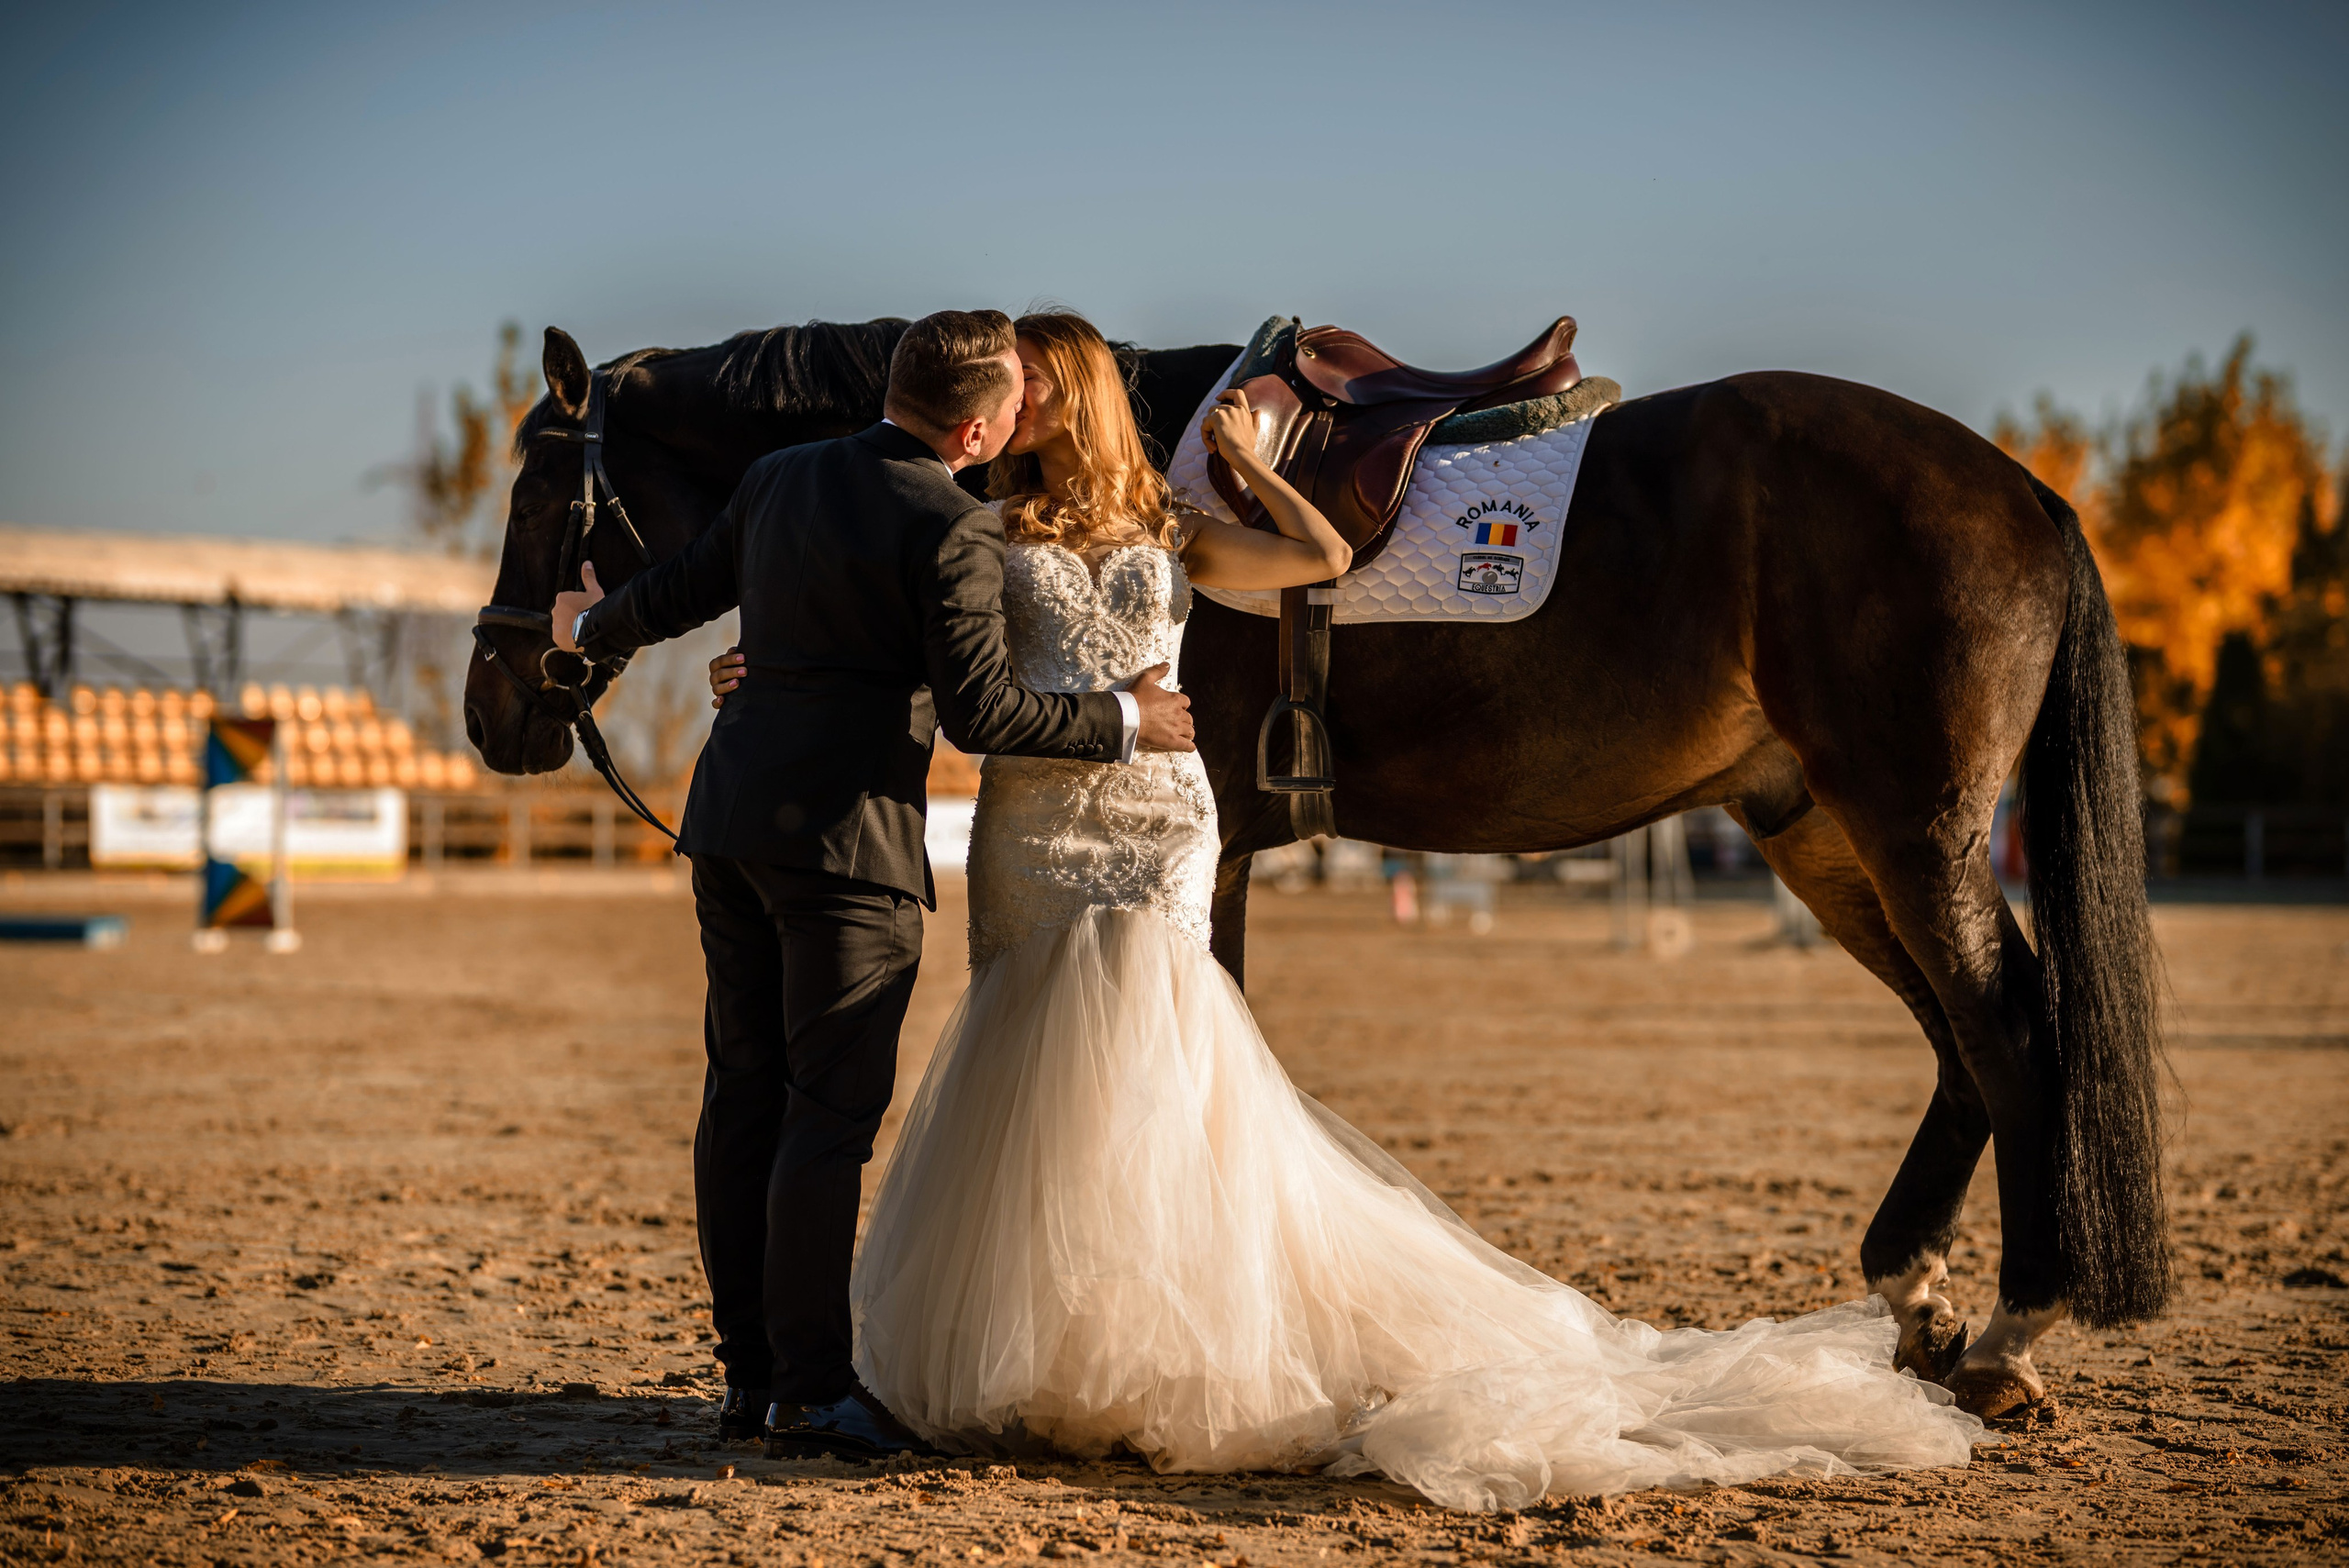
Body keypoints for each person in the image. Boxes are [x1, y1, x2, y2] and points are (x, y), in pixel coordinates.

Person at [706, 310, 1988, 1510]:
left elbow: (1320, 556)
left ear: (1076, 392)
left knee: (1155, 1073)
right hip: (1037, 829)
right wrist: (780, 665)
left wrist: (1243, 463)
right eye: (1011, 388)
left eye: (1037, 383)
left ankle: (1162, 1347)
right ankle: (1044, 1351)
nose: (1011, 404)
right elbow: (935, 661)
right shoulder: (978, 515)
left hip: (1156, 823)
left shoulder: (1167, 514)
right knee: (1031, 1084)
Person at [551, 309, 1196, 1460]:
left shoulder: (777, 475)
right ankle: (809, 1387)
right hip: (847, 852)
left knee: (740, 1095)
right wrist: (1126, 717)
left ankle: (747, 1377)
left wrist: (588, 625)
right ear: (981, 422)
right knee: (827, 1117)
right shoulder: (951, 524)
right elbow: (982, 714)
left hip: (732, 825)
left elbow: (679, 590)